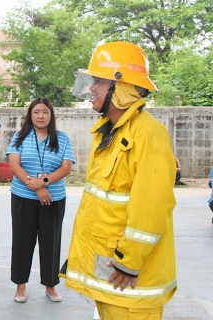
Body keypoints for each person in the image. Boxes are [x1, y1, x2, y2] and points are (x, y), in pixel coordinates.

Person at [64, 41, 177, 320]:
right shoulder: (108, 132)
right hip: (111, 272)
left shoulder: (148, 135)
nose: (91, 89)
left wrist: (128, 262)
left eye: (98, 82)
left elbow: (152, 208)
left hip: (129, 282)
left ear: (121, 87)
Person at [6, 97, 75, 303]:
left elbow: (66, 167)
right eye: (36, 112)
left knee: (51, 243)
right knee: (22, 241)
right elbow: (14, 165)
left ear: (51, 115)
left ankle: (50, 285)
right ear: (30, 115)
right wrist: (35, 187)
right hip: (23, 197)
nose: (41, 116)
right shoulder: (20, 137)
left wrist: (43, 182)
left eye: (45, 112)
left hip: (53, 199)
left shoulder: (61, 139)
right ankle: (20, 286)